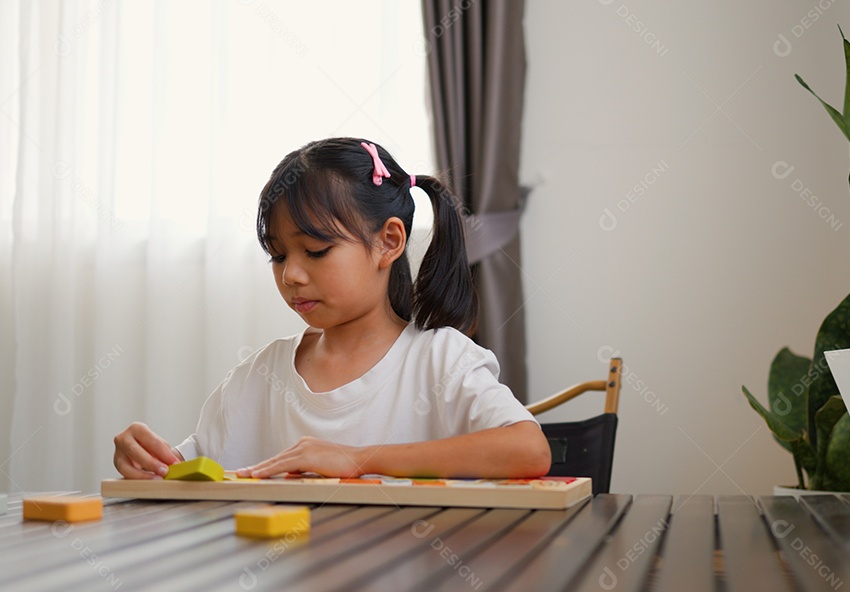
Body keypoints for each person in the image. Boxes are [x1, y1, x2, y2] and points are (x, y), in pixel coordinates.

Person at [113, 137, 550, 480]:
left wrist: (358, 460)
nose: (292, 276)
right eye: (279, 256)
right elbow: (188, 473)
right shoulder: (257, 378)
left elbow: (528, 451)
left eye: (316, 251)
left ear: (389, 241)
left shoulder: (441, 361)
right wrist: (149, 462)